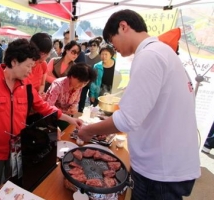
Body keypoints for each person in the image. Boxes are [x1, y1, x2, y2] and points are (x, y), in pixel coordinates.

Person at [77, 9, 200, 200]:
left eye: (111, 40)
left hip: (159, 172)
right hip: (169, 166)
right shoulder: (162, 51)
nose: (112, 47)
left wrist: (89, 130)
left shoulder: (149, 55)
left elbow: (127, 120)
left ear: (123, 26)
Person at [0, 38, 83, 190]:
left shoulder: (26, 86)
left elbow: (44, 107)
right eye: (28, 66)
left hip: (17, 150)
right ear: (14, 61)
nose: (30, 71)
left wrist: (70, 120)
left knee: (13, 185)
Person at [45, 63, 96, 130]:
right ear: (72, 76)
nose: (82, 85)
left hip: (66, 118)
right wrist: (65, 112)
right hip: (51, 120)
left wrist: (73, 108)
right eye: (80, 81)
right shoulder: (58, 85)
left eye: (85, 83)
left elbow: (75, 101)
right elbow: (49, 107)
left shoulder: (79, 87)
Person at [78, 38, 101, 112]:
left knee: (93, 101)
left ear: (98, 47)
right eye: (90, 45)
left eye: (94, 45)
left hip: (95, 83)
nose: (92, 47)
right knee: (81, 99)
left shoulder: (100, 57)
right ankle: (79, 113)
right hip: (84, 81)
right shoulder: (84, 56)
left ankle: (93, 115)